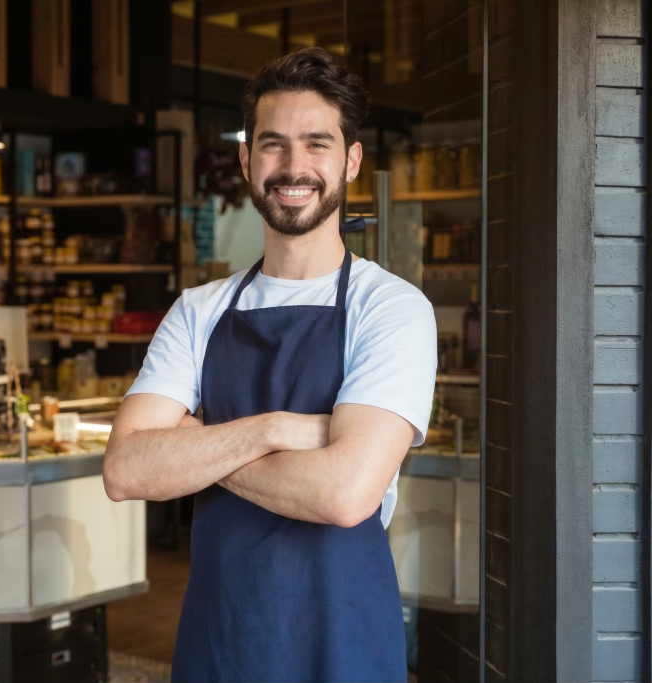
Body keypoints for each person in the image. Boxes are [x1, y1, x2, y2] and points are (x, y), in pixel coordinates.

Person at [103, 47, 437, 682]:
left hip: (342, 642)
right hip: (220, 636)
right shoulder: (199, 310)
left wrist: (200, 444)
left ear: (351, 161)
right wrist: (275, 429)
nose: (293, 166)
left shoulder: (391, 308)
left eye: (317, 144)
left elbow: (345, 494)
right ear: (246, 160)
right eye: (273, 144)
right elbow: (125, 469)